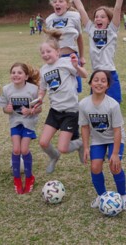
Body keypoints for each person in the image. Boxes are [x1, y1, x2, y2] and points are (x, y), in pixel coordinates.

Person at [60, 0, 126, 103]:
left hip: (110, 73)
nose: (98, 19)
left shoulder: (112, 30)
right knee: (96, 106)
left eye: (102, 16)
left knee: (114, 106)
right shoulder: (91, 29)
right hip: (96, 74)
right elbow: (81, 9)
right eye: (96, 17)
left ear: (108, 20)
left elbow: (117, 8)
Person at [36, 29, 88, 174]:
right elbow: (43, 89)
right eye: (43, 53)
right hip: (54, 111)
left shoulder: (66, 62)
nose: (46, 55)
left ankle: (79, 144)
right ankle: (54, 157)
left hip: (70, 111)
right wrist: (40, 98)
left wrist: (77, 66)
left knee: (63, 148)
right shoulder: (44, 70)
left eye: (49, 51)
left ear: (57, 52)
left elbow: (85, 75)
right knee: (43, 142)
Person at [79, 70, 126, 211]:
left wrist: (115, 153)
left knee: (114, 166)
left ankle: (123, 195)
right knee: (95, 167)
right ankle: (101, 196)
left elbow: (117, 130)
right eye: (96, 80)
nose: (99, 83)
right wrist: (86, 147)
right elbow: (84, 127)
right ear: (90, 83)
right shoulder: (83, 104)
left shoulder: (113, 105)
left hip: (114, 138)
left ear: (107, 85)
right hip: (98, 140)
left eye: (103, 81)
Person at [0, 63, 42, 194]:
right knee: (16, 150)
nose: (16, 75)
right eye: (13, 72)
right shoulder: (6, 89)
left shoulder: (33, 89)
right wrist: (7, 109)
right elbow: (4, 108)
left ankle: (29, 178)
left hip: (29, 123)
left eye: (19, 73)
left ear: (26, 76)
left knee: (24, 149)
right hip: (15, 122)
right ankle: (17, 179)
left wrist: (30, 111)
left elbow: (39, 108)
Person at [45, 0, 85, 93]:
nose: (57, 3)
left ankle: (73, 107)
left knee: (75, 88)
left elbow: (79, 37)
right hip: (57, 59)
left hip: (71, 57)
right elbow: (49, 42)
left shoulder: (75, 16)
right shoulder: (49, 19)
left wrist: (82, 56)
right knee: (60, 87)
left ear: (67, 4)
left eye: (60, 1)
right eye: (55, 2)